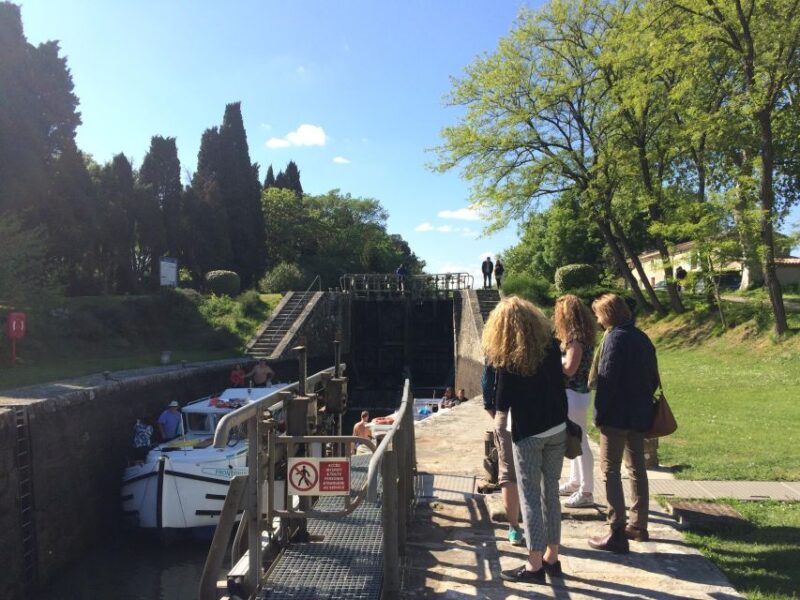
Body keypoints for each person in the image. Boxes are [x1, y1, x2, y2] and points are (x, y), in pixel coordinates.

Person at [484, 296, 568, 584]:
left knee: (530, 498)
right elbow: (560, 383)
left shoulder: (510, 357)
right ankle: (552, 558)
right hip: (557, 428)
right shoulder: (552, 346)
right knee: (551, 494)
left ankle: (534, 566)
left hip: (529, 434)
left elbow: (501, 401)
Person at [588, 294, 659, 554]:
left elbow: (606, 380)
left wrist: (599, 413)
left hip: (616, 416)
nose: (596, 319)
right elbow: (653, 377)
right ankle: (639, 525)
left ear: (607, 314)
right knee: (637, 469)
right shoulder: (642, 337)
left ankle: (616, 529)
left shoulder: (614, 338)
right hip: (639, 415)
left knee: (610, 470)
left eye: (598, 314)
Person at [554, 294, 596, 508]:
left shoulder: (574, 338)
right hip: (580, 394)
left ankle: (587, 490)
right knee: (577, 438)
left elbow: (570, 369)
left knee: (580, 442)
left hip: (573, 393)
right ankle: (575, 481)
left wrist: (552, 366)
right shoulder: (585, 335)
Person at [482, 362, 524, 547]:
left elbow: (487, 378)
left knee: (508, 473)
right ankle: (539, 528)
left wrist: (489, 404)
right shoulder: (542, 342)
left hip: (506, 411)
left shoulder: (497, 343)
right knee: (534, 472)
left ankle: (514, 528)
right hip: (534, 412)